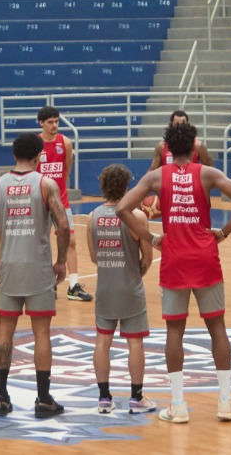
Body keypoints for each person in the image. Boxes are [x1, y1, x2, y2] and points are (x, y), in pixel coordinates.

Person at [117, 122, 231, 424]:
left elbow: (123, 209)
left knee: (174, 332)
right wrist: (226, 231)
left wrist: (151, 238)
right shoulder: (206, 172)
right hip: (205, 256)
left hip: (174, 258)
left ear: (167, 148)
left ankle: (178, 405)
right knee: (217, 329)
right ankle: (225, 403)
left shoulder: (156, 176)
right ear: (194, 147)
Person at [0, 134, 71, 419]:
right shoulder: (45, 184)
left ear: (14, 155)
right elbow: (63, 225)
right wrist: (61, 260)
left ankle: (0, 397)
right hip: (38, 269)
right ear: (39, 156)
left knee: (4, 332)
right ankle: (43, 398)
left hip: (9, 267)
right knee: (41, 333)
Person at [87, 165, 158, 415]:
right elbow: (147, 258)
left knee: (102, 341)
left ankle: (104, 398)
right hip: (131, 287)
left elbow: (94, 257)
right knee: (135, 344)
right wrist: (134, 272)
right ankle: (136, 398)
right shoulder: (137, 216)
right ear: (127, 188)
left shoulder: (92, 216)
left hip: (105, 287)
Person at [37, 105, 92, 303]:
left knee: (70, 241)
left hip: (60, 201)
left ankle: (73, 286)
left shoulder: (66, 143)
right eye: (50, 122)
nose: (54, 125)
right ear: (41, 123)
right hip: (40, 202)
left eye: (56, 121)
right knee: (41, 243)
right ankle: (45, 285)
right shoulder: (35, 143)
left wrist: (59, 193)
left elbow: (66, 171)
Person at [148, 110, 213, 170]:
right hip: (169, 181)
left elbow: (211, 171)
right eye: (177, 124)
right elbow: (152, 170)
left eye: (183, 124)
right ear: (171, 124)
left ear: (188, 124)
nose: (180, 127)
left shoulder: (198, 145)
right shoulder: (161, 146)